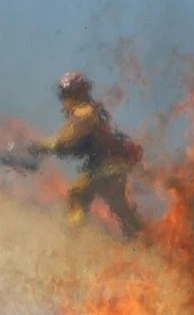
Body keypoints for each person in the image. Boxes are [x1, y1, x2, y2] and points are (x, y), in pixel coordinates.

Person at [20, 71, 145, 239]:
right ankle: (141, 237)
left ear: (72, 94)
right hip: (112, 164)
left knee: (78, 194)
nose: (63, 101)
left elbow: (64, 142)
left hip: (107, 165)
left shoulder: (84, 113)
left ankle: (75, 237)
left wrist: (40, 145)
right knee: (118, 204)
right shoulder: (91, 111)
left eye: (65, 95)